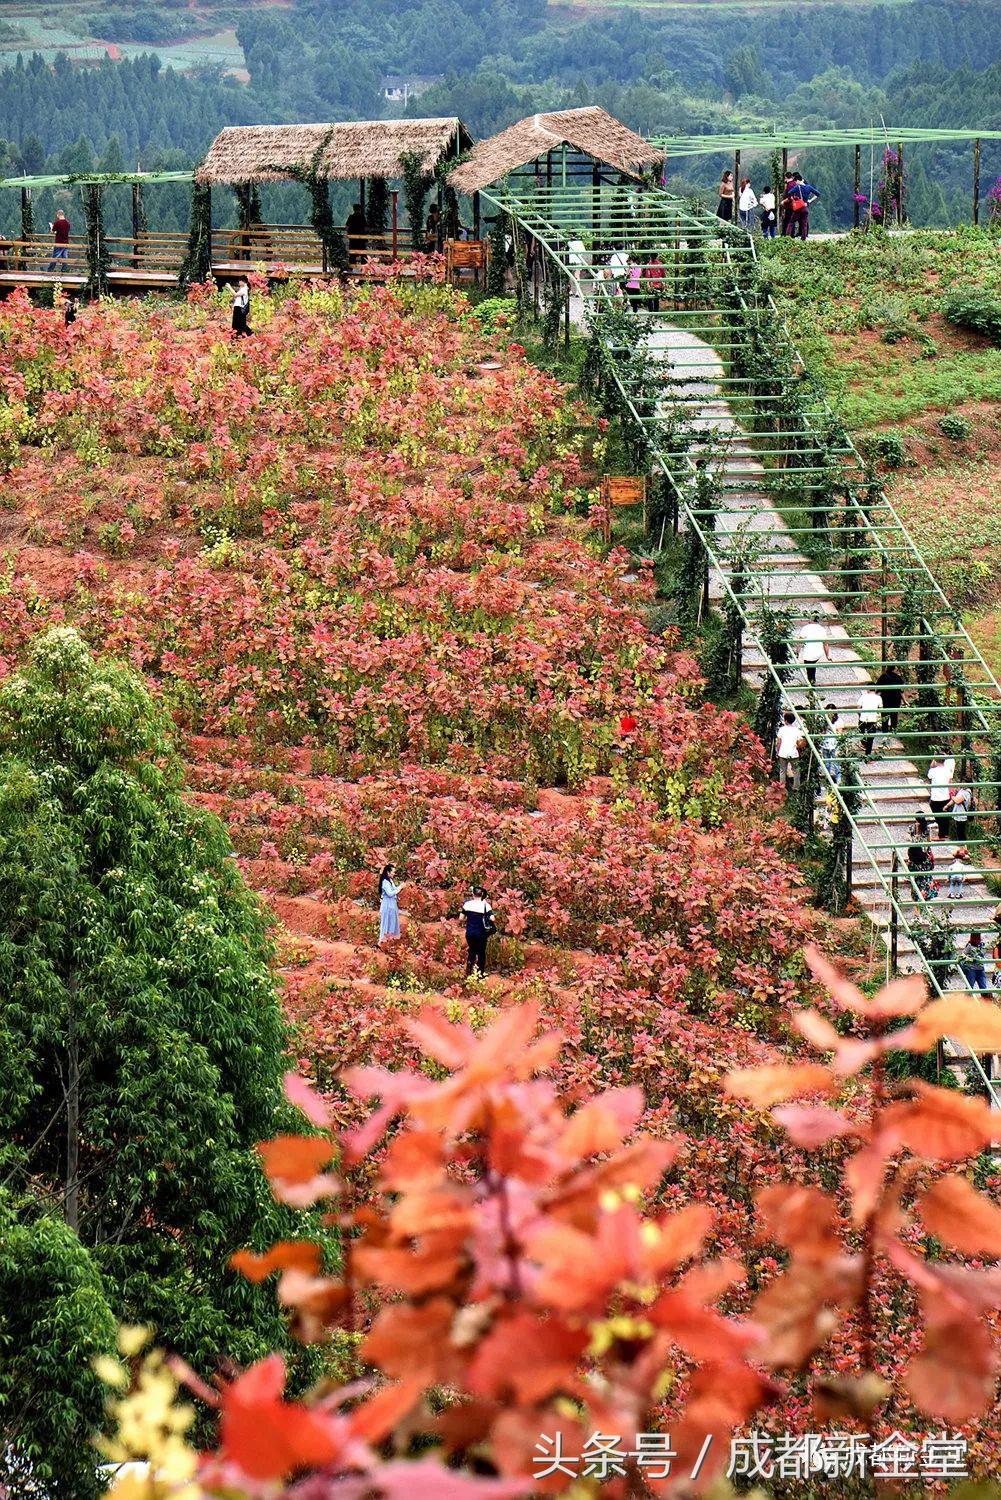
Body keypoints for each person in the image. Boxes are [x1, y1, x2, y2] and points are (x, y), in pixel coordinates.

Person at [462, 884, 494, 977]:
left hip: (469, 933)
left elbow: (461, 918)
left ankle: (469, 969)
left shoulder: (467, 904)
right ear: (482, 894)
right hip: (481, 933)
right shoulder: (486, 905)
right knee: (481, 952)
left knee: (472, 950)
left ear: (473, 894)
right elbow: (492, 918)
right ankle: (480, 973)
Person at [797, 612, 831, 687]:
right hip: (818, 652)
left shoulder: (806, 628)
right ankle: (812, 681)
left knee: (809, 666)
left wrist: (797, 652)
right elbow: (825, 643)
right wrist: (827, 656)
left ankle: (811, 682)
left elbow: (800, 642)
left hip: (809, 653)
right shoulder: (822, 629)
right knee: (812, 665)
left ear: (811, 620)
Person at [784, 173, 820, 240]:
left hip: (798, 208)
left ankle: (787, 238)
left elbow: (789, 193)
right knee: (804, 224)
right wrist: (809, 201)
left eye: (795, 181)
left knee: (791, 222)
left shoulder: (797, 187)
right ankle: (803, 238)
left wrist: (793, 199)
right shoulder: (809, 187)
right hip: (805, 207)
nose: (795, 183)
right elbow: (818, 194)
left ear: (797, 180)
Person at [928, 754, 956, 839]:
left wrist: (934, 758)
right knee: (944, 816)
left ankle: (941, 835)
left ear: (936, 761)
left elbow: (929, 774)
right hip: (945, 796)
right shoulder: (948, 771)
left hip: (935, 797)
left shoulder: (933, 771)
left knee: (938, 817)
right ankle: (945, 833)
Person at [775, 710, 803, 792]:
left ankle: (782, 788)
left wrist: (777, 751)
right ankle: (796, 787)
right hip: (793, 753)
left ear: (786, 720)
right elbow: (800, 742)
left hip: (783, 753)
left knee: (782, 771)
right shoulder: (796, 730)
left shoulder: (782, 729)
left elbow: (779, 742)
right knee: (796, 771)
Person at [875, 662, 905, 734]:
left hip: (885, 699)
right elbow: (901, 691)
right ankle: (893, 731)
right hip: (896, 699)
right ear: (894, 669)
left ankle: (885, 731)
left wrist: (875, 699)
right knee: (894, 715)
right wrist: (904, 700)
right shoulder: (897, 677)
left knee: (885, 715)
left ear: (887, 668)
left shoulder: (883, 677)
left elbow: (878, 690)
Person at [378, 863, 403, 944]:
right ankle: (382, 942)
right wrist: (400, 887)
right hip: (387, 905)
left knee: (392, 922)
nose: (394, 873)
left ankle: (390, 941)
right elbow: (390, 893)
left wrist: (399, 888)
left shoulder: (390, 881)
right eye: (393, 872)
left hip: (392, 905)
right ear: (388, 872)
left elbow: (394, 890)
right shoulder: (385, 882)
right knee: (386, 923)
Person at [858, 686, 883, 759]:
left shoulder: (863, 696)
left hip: (863, 718)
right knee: (870, 738)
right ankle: (868, 754)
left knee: (861, 732)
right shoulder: (878, 698)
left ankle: (863, 743)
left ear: (868, 689)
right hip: (873, 720)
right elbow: (880, 709)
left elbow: (858, 707)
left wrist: (860, 715)